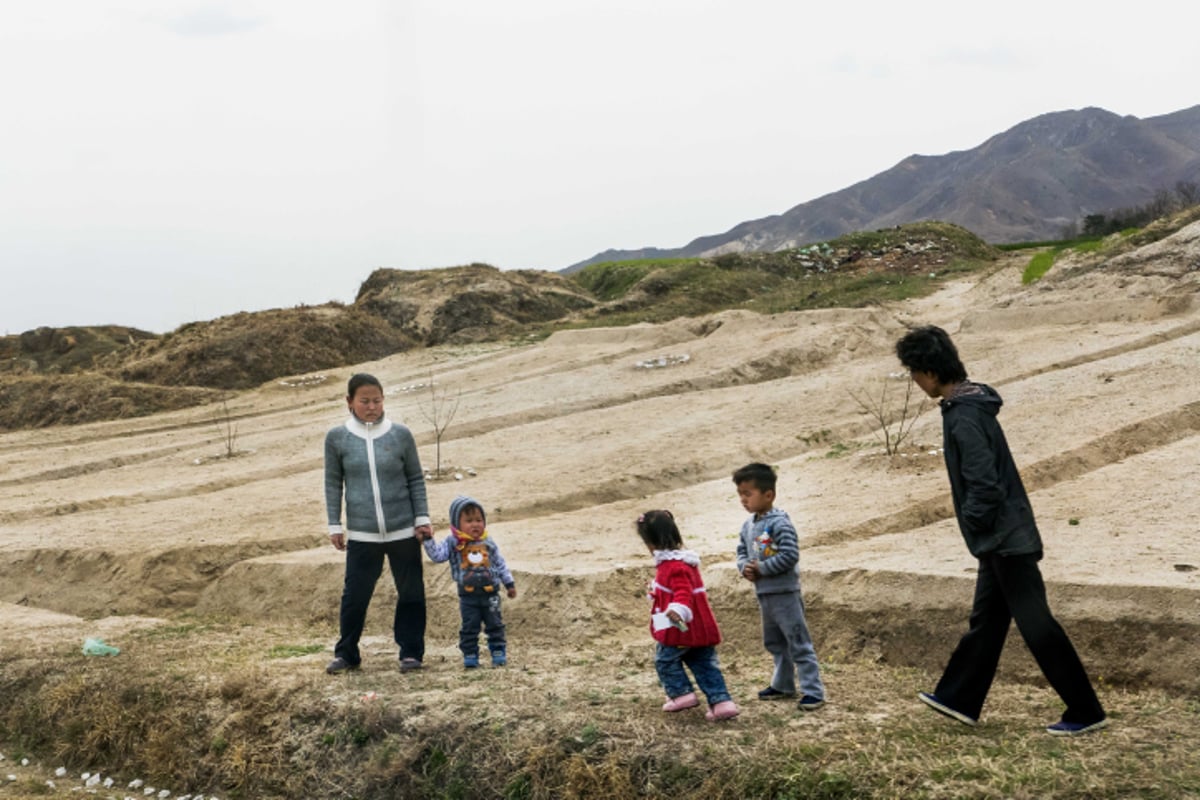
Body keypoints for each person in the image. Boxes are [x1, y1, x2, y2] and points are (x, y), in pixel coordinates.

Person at [895, 325, 1108, 736]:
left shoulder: (964, 418)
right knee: (987, 622)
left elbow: (985, 484)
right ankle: (959, 699)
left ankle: (1086, 710)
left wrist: (974, 520)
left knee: (1037, 626)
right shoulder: (969, 405)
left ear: (931, 372)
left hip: (1005, 539)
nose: (915, 382)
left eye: (915, 372)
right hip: (1000, 539)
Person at [324, 373, 432, 675]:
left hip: (403, 529)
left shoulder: (400, 434)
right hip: (362, 533)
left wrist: (422, 518)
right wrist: (335, 524)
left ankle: (411, 653)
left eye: (377, 400)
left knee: (411, 594)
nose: (372, 407)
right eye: (364, 401)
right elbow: (333, 483)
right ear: (349, 402)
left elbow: (414, 478)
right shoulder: (337, 438)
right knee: (354, 596)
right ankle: (347, 653)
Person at [733, 462, 826, 711]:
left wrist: (761, 568)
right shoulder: (748, 525)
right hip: (765, 594)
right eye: (740, 494)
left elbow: (789, 554)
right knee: (775, 642)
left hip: (785, 594)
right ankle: (783, 684)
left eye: (748, 494)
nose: (743, 499)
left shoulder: (779, 524)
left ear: (768, 494)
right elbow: (741, 552)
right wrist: (744, 567)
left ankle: (813, 691)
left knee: (798, 642)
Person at [636, 509, 739, 721]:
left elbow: (682, 592)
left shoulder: (673, 566)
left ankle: (681, 694)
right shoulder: (681, 563)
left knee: (664, 660)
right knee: (703, 663)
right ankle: (721, 702)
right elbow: (677, 587)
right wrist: (655, 590)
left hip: (678, 627)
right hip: (697, 628)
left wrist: (677, 609)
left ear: (651, 544)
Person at [424, 495, 517, 668]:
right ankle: (470, 654)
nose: (475, 524)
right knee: (470, 626)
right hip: (468, 597)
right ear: (456, 523)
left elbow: (500, 563)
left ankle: (498, 651)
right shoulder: (453, 543)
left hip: (492, 593)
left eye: (479, 520)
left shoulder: (488, 542)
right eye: (469, 520)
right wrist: (428, 540)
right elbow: (437, 556)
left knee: (496, 623)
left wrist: (509, 583)